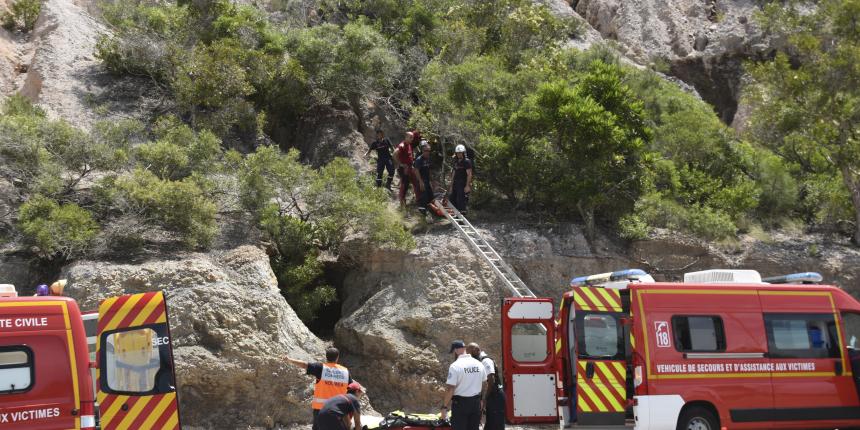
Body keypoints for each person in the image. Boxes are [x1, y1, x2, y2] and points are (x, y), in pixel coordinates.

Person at [285, 347, 352, 430]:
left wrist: (289, 360)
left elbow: (304, 365)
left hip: (321, 409)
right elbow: (351, 389)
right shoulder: (345, 371)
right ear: (337, 357)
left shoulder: (321, 368)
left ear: (326, 357)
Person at [441, 340, 486, 430]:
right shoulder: (479, 364)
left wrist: (444, 406)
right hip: (476, 402)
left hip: (461, 404)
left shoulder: (455, 366)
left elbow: (450, 388)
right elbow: (485, 383)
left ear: (456, 350)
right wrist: (481, 400)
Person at [467, 343, 506, 430]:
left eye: (470, 354)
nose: (470, 357)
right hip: (492, 395)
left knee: (496, 424)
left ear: (477, 351)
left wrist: (485, 398)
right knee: (490, 423)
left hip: (495, 395)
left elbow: (491, 380)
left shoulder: (486, 361)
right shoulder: (480, 361)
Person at [393, 132, 420, 208]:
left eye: (412, 137)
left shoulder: (409, 145)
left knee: (416, 182)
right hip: (404, 169)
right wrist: (401, 164)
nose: (412, 139)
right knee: (405, 185)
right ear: (406, 137)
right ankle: (402, 203)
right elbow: (394, 154)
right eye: (410, 137)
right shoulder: (402, 145)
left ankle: (418, 200)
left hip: (410, 167)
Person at [447, 145, 473, 215]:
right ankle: (455, 214)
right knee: (452, 198)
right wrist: (451, 186)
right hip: (455, 183)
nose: (459, 154)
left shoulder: (467, 161)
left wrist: (467, 186)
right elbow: (453, 174)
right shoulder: (456, 162)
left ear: (463, 153)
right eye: (457, 153)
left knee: (461, 200)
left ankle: (463, 216)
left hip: (462, 183)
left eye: (460, 153)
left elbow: (469, 174)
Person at [413, 140, 434, 215]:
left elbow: (429, 170)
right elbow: (416, 171)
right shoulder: (419, 160)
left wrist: (431, 180)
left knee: (430, 195)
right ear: (422, 151)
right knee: (424, 195)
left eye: (428, 150)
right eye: (425, 150)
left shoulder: (428, 159)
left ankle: (428, 210)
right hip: (421, 180)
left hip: (427, 180)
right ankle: (422, 211)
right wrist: (421, 182)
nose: (427, 152)